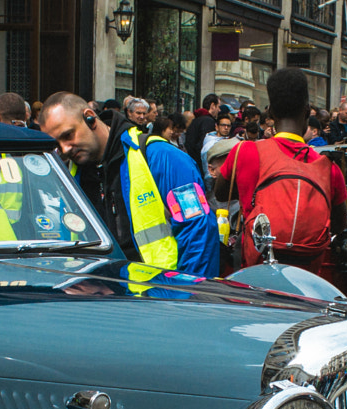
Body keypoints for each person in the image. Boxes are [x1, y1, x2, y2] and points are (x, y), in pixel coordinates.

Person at [42, 90, 219, 277]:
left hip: (161, 296)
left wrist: (185, 298)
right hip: (105, 296)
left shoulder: (160, 156)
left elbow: (199, 234)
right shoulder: (72, 174)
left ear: (90, 118)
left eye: (68, 135)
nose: (65, 148)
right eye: (57, 143)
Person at [217, 67, 346, 270]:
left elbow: (221, 193)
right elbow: (339, 225)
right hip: (306, 283)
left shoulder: (245, 151)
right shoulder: (328, 168)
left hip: (254, 274)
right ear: (307, 112)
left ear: (271, 113)